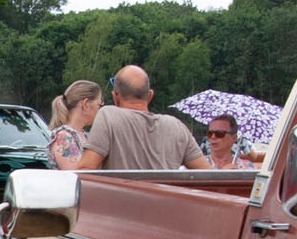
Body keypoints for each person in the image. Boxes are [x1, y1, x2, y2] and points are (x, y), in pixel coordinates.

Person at [74, 66, 210, 170]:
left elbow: (85, 170)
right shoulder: (176, 126)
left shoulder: (108, 116)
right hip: (165, 206)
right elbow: (208, 175)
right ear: (150, 96)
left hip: (121, 206)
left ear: (115, 97)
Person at [47, 80, 102, 169]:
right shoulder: (64, 137)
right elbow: (77, 175)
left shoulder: (82, 135)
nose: (99, 110)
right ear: (86, 104)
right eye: (99, 105)